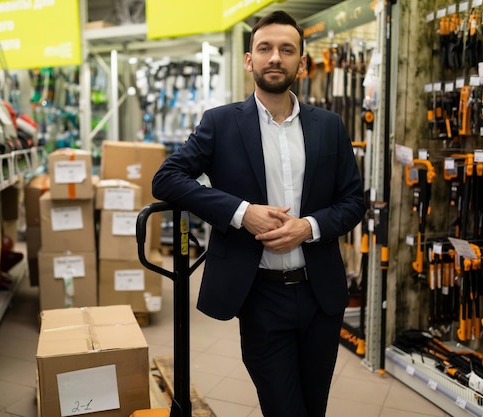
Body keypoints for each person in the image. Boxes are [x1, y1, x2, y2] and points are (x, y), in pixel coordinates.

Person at [152, 10, 366, 417]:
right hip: (260, 294)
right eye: (264, 48)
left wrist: (309, 227)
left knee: (313, 406)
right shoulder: (220, 123)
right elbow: (167, 178)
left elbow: (353, 201)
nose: (275, 58)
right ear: (249, 59)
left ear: (301, 63)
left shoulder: (330, 126)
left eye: (287, 50)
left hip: (320, 294)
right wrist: (240, 212)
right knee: (283, 408)